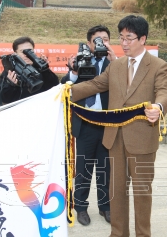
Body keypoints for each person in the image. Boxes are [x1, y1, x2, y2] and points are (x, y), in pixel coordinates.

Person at [69, 15, 167, 237]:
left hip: (142, 140)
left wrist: (159, 107)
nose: (124, 43)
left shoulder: (157, 66)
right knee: (116, 192)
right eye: (121, 38)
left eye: (129, 38)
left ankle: (143, 234)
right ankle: (118, 233)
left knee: (142, 193)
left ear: (142, 39)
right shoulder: (115, 66)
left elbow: (165, 91)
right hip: (114, 139)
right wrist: (66, 92)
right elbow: (96, 84)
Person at [60, 25, 117, 226]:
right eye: (97, 40)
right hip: (85, 124)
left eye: (106, 39)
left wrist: (115, 62)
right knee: (83, 169)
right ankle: (81, 208)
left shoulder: (115, 63)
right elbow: (65, 87)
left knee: (105, 169)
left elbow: (125, 86)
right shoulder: (82, 61)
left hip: (107, 123)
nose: (102, 43)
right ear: (89, 43)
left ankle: (105, 207)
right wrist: (73, 73)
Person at [0, 36, 60, 104]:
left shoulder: (40, 68)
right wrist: (11, 85)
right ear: (15, 54)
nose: (26, 55)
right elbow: (3, 99)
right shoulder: (10, 71)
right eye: (22, 51)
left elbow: (55, 88)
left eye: (29, 51)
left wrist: (45, 70)